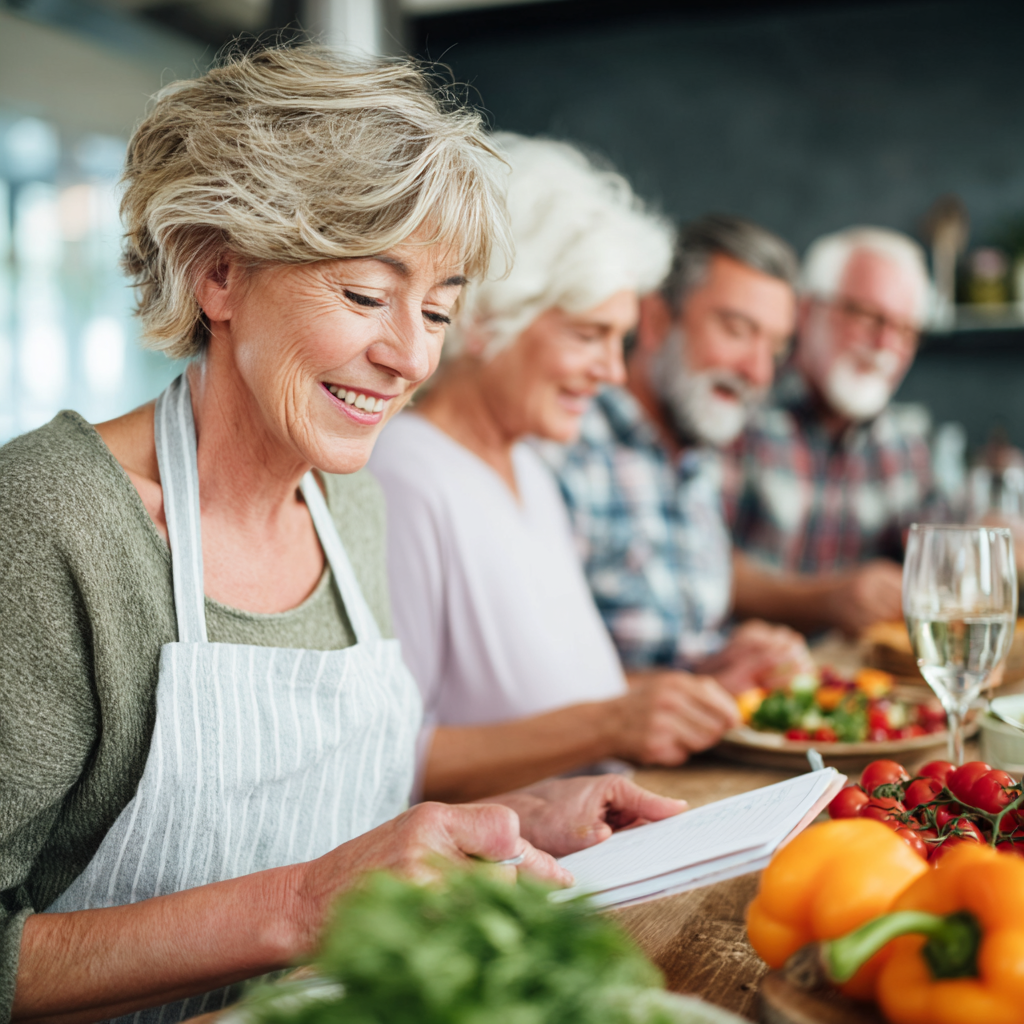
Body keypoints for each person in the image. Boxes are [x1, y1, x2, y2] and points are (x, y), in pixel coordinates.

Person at [0, 50, 685, 1024]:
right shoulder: (47, 524)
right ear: (219, 272)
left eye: (439, 308)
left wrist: (512, 819)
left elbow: (335, 797)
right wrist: (300, 904)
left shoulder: (347, 503)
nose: (410, 355)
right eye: (366, 295)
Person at [369, 135, 743, 805]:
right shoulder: (405, 476)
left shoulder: (530, 469)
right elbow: (387, 759)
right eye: (587, 334)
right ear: (489, 319)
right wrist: (611, 722)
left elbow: (553, 697)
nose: (611, 371)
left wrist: (686, 694)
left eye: (619, 340)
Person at [546, 215, 815, 684]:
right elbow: (530, 682)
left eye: (773, 349)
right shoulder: (569, 445)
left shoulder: (697, 454)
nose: (758, 372)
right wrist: (697, 685)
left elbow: (677, 655)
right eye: (736, 330)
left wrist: (730, 659)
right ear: (655, 321)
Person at [725, 227, 936, 636]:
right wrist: (824, 600)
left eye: (906, 330)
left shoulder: (903, 444)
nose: (886, 344)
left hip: (860, 685)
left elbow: (939, 548)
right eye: (869, 317)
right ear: (805, 312)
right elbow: (701, 568)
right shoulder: (736, 413)